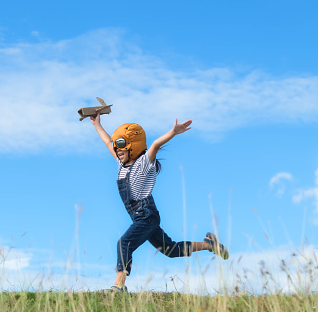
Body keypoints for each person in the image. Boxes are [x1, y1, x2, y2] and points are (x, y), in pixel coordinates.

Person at [90, 113, 229, 293]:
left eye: (121, 146)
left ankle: (119, 285)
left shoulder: (144, 163)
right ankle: (209, 244)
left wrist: (173, 132)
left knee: (124, 243)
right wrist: (96, 124)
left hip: (145, 215)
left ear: (134, 146)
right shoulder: (120, 163)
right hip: (142, 217)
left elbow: (155, 144)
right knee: (170, 250)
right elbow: (108, 142)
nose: (117, 150)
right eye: (117, 148)